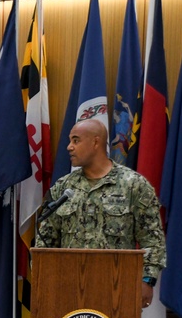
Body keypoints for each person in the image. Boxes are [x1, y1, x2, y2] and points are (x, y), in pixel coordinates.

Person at [35, 119, 166, 307]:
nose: (69, 147)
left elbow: (153, 239)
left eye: (76, 140)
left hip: (117, 289)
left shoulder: (133, 185)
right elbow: (45, 240)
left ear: (96, 142)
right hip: (67, 289)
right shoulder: (63, 187)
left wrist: (147, 281)